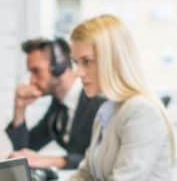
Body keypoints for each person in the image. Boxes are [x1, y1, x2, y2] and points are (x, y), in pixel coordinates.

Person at [67, 14, 175, 181]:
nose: (78, 72)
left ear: (112, 61)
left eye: (87, 62)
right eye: (76, 63)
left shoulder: (141, 112)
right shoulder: (107, 111)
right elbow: (86, 174)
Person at [6, 38, 106, 169]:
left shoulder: (98, 101)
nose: (31, 80)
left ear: (59, 67)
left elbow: (104, 159)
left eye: (36, 71)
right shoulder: (58, 107)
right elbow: (24, 152)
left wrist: (52, 161)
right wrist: (19, 108)